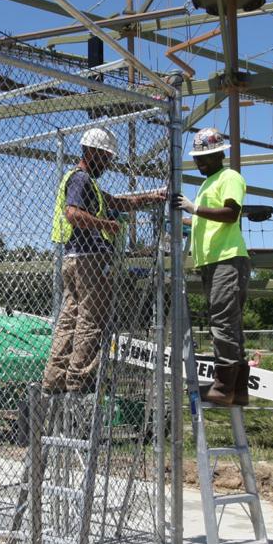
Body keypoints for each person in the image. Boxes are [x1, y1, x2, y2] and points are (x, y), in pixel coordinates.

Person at [41, 128, 167, 396]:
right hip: (89, 260)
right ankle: (80, 379)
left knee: (69, 320)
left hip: (73, 259)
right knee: (91, 319)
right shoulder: (81, 180)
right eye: (106, 158)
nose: (108, 164)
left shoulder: (86, 183)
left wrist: (151, 198)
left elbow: (118, 202)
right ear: (92, 152)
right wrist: (105, 224)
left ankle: (56, 378)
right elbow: (73, 214)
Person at [175, 127, 251, 405]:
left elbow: (231, 213)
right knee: (228, 324)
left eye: (204, 157)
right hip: (213, 262)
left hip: (227, 260)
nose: (199, 162)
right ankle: (237, 390)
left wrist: (194, 209)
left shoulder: (229, 177)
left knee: (223, 324)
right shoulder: (208, 184)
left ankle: (224, 386)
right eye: (197, 158)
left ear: (219, 155)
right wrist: (186, 218)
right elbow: (206, 220)